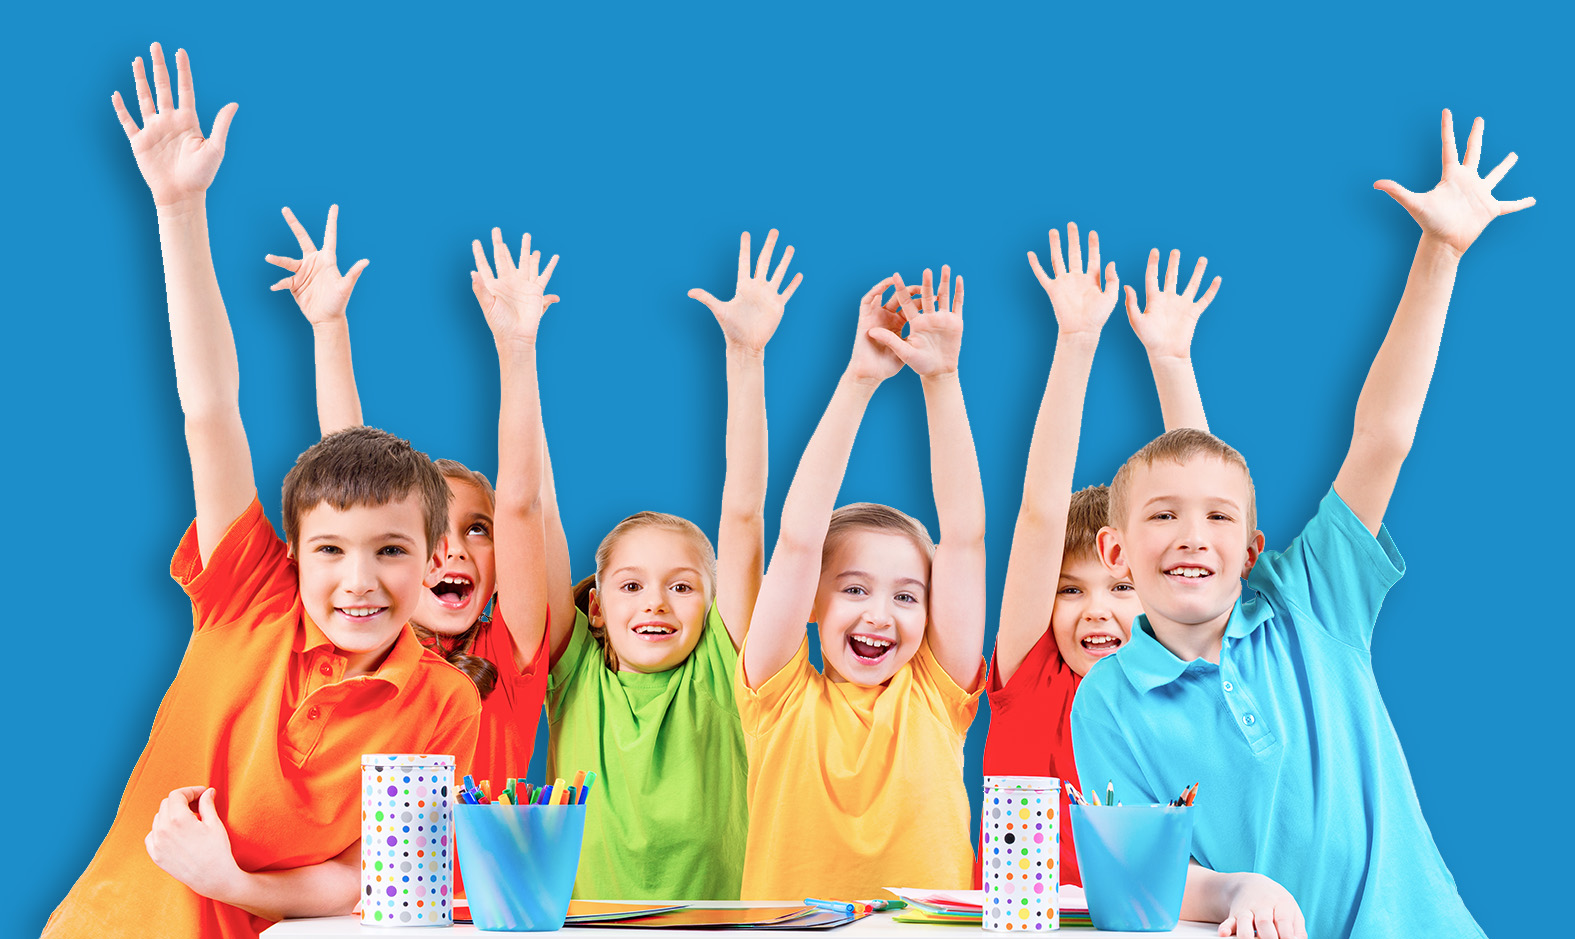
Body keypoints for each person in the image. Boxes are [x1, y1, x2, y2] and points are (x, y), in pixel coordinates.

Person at [44, 44, 480, 939]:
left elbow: (370, 885)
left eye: (389, 551)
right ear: (292, 552)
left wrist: (230, 879)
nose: (357, 579)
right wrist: (179, 208)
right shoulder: (249, 596)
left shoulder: (443, 703)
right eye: (329, 551)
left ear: (433, 555)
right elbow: (210, 409)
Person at [1072, 110, 1532, 939]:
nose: (1190, 535)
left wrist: (1439, 253)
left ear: (1249, 549)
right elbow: (1149, 877)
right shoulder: (1106, 700)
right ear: (1116, 549)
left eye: (1217, 519)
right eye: (1162, 517)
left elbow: (1381, 436)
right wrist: (1234, 889)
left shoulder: (1311, 598)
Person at [739, 269, 987, 898]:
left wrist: (942, 380)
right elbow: (796, 541)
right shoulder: (776, 694)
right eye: (854, 588)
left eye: (907, 595)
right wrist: (858, 380)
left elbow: (963, 537)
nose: (880, 613)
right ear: (813, 600)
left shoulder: (937, 693)